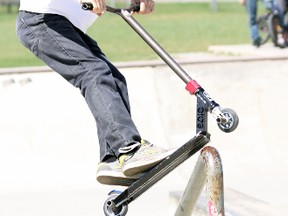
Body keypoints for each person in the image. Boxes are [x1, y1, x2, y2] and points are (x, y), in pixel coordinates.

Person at [16, 0, 172, 187]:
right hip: (41, 21)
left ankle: (112, 159)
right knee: (94, 73)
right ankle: (127, 148)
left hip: (66, 25)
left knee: (115, 79)